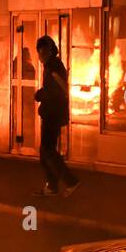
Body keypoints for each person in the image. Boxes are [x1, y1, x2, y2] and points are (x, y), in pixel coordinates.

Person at [33, 34, 80, 198]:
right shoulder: (51, 66)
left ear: (48, 51)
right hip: (51, 113)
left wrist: (40, 95)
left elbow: (58, 91)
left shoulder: (53, 67)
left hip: (52, 114)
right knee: (45, 151)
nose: (40, 56)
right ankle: (52, 186)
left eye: (42, 52)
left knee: (47, 151)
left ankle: (70, 181)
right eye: (39, 52)